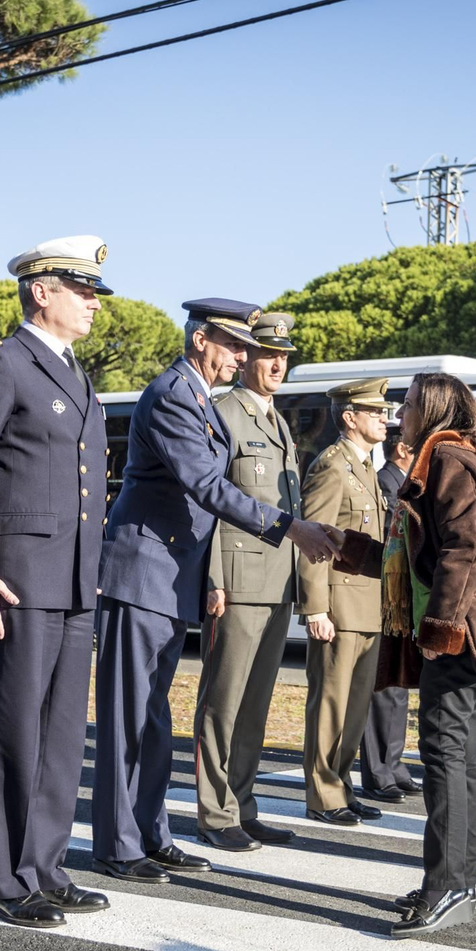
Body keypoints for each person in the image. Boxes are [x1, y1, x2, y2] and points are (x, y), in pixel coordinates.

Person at [92, 299, 341, 884]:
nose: (242, 356)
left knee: (153, 719)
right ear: (201, 340)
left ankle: (151, 834)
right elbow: (206, 484)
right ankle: (118, 843)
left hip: (170, 574)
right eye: (233, 345)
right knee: (129, 717)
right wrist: (289, 527)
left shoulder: (197, 395)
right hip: (142, 573)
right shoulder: (174, 392)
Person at [333, 373, 476, 937]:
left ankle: (447, 887)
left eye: (411, 403)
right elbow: (418, 555)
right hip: (456, 634)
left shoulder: (445, 457)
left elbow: (463, 550)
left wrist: (444, 623)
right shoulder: (446, 456)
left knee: (447, 758)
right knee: (459, 758)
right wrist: (351, 549)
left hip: (457, 636)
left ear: (435, 409)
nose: (401, 412)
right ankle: (455, 881)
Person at [0, 236, 113, 926]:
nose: (94, 301)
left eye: (95, 290)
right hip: (17, 579)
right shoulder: (2, 362)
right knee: (13, 732)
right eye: (82, 287)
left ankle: (45, 864)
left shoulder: (76, 374)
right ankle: (5, 881)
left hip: (74, 581)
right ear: (40, 291)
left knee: (63, 733)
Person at [194, 313, 304, 851]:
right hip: (236, 580)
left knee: (257, 704)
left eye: (284, 356)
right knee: (224, 701)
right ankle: (216, 815)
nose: (277, 364)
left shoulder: (277, 421)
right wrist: (212, 577)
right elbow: (210, 501)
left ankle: (243, 802)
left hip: (277, 581)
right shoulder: (225, 413)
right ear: (246, 358)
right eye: (267, 354)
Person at [298, 377, 397, 826]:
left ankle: (341, 784)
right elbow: (314, 540)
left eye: (385, 411)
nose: (385, 418)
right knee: (331, 704)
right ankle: (324, 794)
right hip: (339, 606)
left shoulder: (365, 468)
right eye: (375, 411)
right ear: (349, 417)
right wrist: (316, 607)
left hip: (368, 606)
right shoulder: (332, 466)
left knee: (355, 706)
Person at [358, 421, 420, 802]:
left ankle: (394, 765)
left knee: (398, 688)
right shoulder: (387, 483)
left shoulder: (402, 483)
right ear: (402, 451)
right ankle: (378, 771)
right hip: (383, 595)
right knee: (383, 688)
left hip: (399, 598)